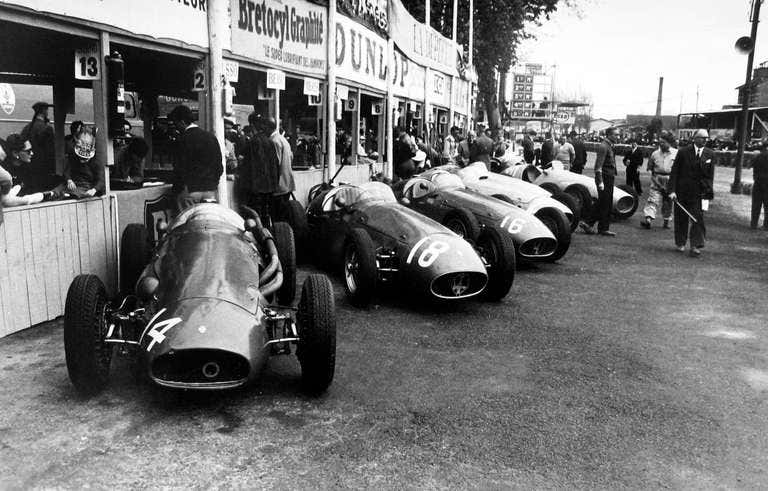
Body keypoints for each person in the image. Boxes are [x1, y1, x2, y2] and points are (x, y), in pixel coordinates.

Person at [668, 129, 715, 257]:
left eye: (706, 138)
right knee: (681, 218)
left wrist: (708, 192)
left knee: (697, 218)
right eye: (702, 138)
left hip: (699, 193)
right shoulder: (683, 152)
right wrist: (672, 191)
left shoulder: (710, 154)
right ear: (694, 138)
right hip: (682, 191)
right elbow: (675, 172)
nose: (705, 140)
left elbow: (710, 176)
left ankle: (695, 245)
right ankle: (680, 243)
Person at [168, 105, 223, 209]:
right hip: (210, 191)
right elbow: (219, 167)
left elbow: (179, 169)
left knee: (189, 223)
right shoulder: (211, 137)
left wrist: (178, 190)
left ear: (182, 122)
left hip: (190, 192)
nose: (175, 127)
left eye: (176, 124)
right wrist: (213, 184)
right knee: (208, 222)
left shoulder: (182, 140)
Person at [237, 113, 281, 220]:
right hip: (270, 188)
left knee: (256, 217)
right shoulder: (270, 142)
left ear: (252, 126)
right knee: (267, 216)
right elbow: (276, 164)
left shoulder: (252, 143)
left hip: (256, 189)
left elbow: (249, 167)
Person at [580, 126, 619, 236]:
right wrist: (600, 181)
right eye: (615, 134)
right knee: (604, 202)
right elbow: (598, 166)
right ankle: (600, 227)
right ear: (609, 135)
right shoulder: (604, 147)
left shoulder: (609, 146)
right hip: (605, 178)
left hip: (609, 177)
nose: (617, 136)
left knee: (604, 202)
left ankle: (591, 224)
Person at [1, 134, 59, 206]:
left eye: (32, 150)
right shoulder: (4, 171)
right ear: (15, 153)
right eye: (28, 151)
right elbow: (6, 200)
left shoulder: (31, 169)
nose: (32, 153)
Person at [641, 132, 676, 229]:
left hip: (670, 180)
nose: (661, 144)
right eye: (660, 142)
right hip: (657, 178)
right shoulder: (655, 154)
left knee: (668, 201)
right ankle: (648, 219)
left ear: (669, 143)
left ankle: (666, 222)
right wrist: (656, 182)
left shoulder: (676, 153)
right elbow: (650, 170)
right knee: (653, 199)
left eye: (663, 142)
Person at [20, 101, 55, 190]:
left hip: (29, 168)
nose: (48, 112)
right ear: (44, 111)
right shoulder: (47, 128)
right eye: (47, 110)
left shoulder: (27, 128)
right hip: (43, 169)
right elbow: (50, 152)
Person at [266, 116, 295, 222]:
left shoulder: (274, 141)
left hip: (279, 186)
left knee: (277, 217)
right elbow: (291, 157)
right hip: (287, 183)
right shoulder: (282, 139)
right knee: (283, 216)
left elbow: (275, 163)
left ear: (267, 127)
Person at [63, 126, 105, 198]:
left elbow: (101, 180)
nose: (84, 146)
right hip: (74, 184)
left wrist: (94, 190)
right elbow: (67, 170)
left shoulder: (96, 161)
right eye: (82, 142)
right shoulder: (73, 156)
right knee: (60, 188)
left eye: (87, 144)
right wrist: (69, 180)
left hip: (87, 187)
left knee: (75, 193)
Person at [751, 141, 768, 229]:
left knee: (756, 205)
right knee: (767, 206)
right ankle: (766, 225)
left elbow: (754, 169)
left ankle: (753, 224)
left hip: (758, 182)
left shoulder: (757, 156)